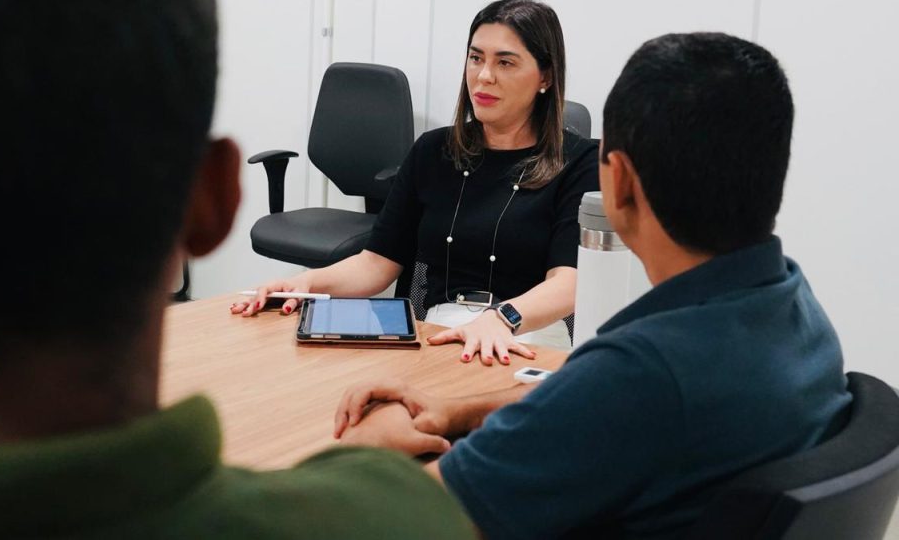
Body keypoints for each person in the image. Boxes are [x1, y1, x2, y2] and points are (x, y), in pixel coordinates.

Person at [0, 0, 476, 538]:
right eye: (477, 58)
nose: (484, 76)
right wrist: (370, 474)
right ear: (214, 200)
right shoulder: (401, 519)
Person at [332, 32, 853, 538]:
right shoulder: (793, 307)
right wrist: (457, 410)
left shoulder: (646, 371)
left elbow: (413, 518)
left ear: (617, 181)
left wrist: (365, 448)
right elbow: (581, 407)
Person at [233, 0, 600, 362]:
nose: (484, 76)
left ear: (545, 76)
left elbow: (568, 282)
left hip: (527, 335)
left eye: (505, 62)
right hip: (441, 332)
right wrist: (305, 284)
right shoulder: (433, 151)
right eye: (476, 58)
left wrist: (501, 318)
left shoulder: (579, 162)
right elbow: (376, 264)